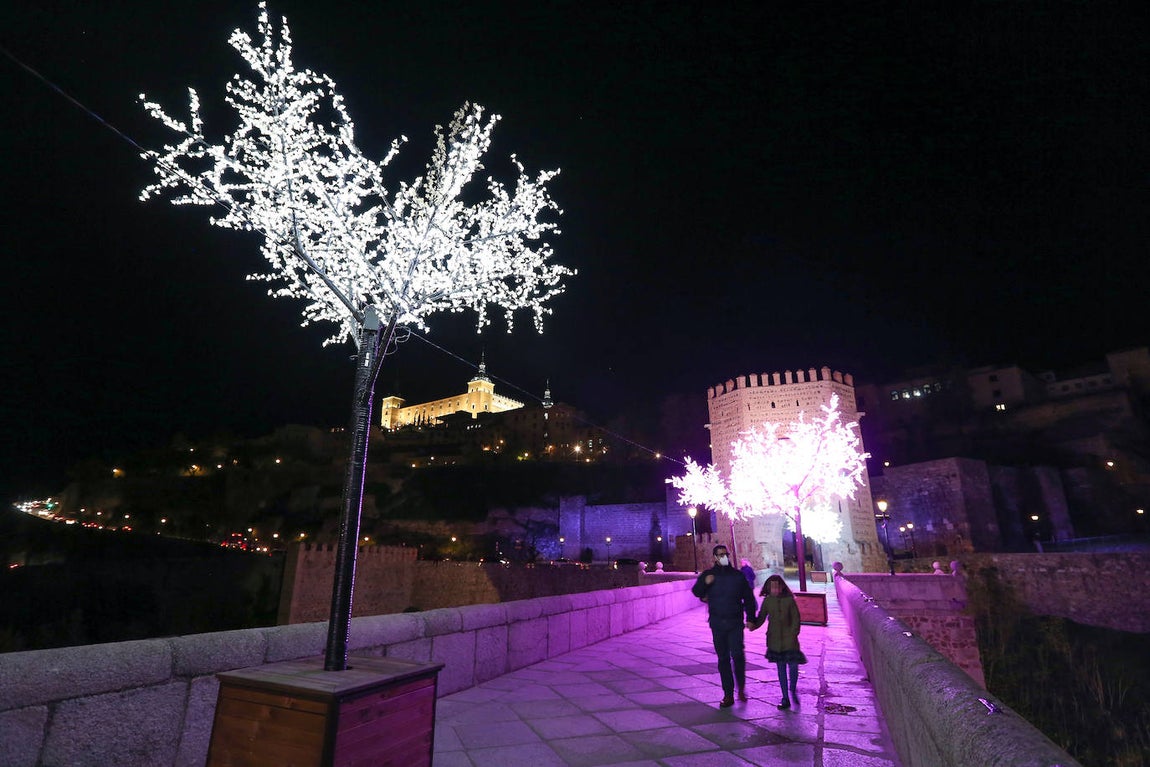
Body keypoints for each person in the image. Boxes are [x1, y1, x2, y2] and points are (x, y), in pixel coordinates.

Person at [692, 544, 757, 708]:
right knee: (723, 659)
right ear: (714, 557)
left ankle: (741, 688)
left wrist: (750, 618)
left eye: (725, 554)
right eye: (720, 554)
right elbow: (696, 591)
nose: (723, 557)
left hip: (735, 622)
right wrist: (705, 583)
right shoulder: (708, 575)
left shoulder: (738, 576)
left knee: (738, 655)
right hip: (717, 623)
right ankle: (728, 694)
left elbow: (748, 598)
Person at [753, 574, 807, 710]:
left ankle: (793, 689)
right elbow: (761, 617)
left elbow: (796, 618)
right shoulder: (767, 601)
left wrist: (794, 632)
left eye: (777, 587)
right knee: (781, 668)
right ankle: (785, 697)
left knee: (793, 666)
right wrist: (753, 625)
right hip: (774, 639)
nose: (775, 590)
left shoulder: (789, 600)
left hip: (790, 640)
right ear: (768, 588)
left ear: (782, 587)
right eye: (773, 587)